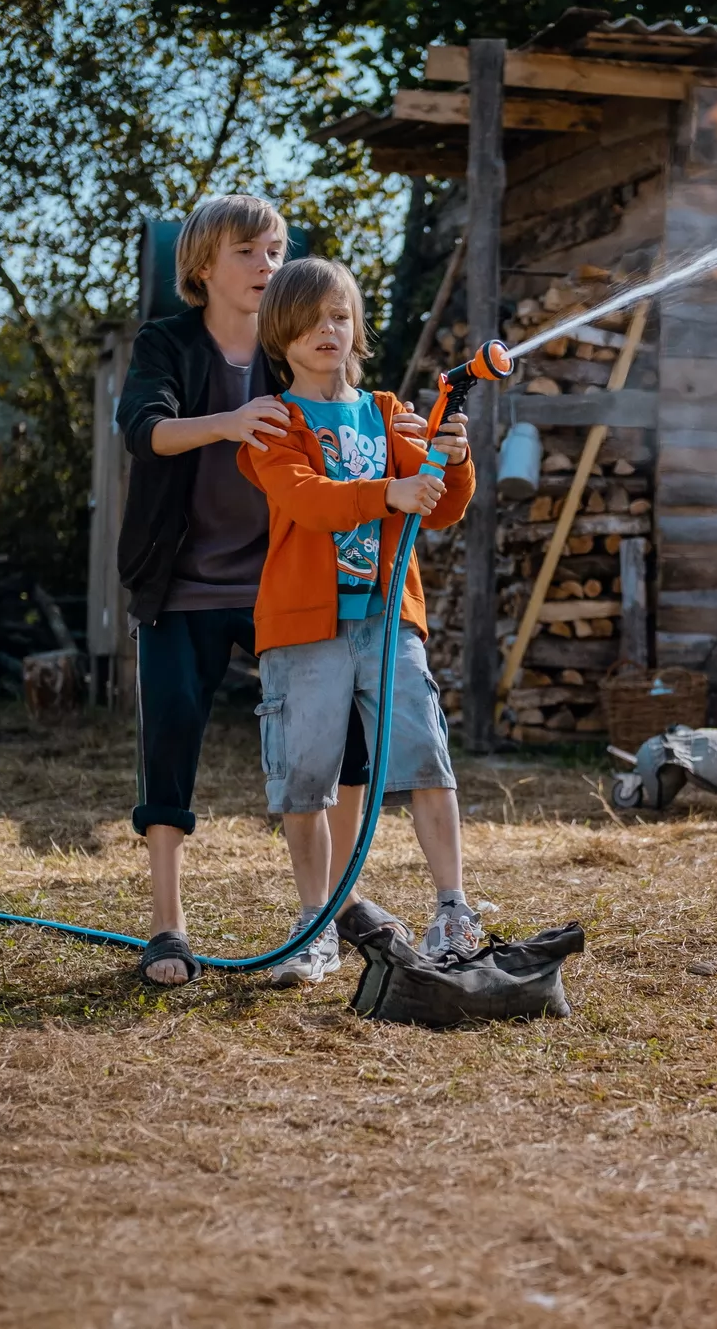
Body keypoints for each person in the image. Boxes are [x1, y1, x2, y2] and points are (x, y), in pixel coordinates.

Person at [113, 195, 373, 987]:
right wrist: (228, 421)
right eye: (250, 253)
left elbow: (353, 419)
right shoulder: (166, 343)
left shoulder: (289, 346)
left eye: (278, 250)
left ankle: (330, 911)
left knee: (344, 743)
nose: (269, 265)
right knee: (170, 745)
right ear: (202, 268)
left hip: (284, 584)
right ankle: (167, 928)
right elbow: (144, 432)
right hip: (182, 583)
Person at [244, 256, 484, 986]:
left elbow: (442, 505)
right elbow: (310, 501)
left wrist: (455, 457)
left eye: (341, 317)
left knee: (425, 759)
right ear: (282, 334)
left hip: (388, 623)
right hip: (304, 628)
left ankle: (454, 910)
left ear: (357, 332)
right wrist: (393, 489)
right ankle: (317, 925)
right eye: (313, 319)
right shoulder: (273, 424)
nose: (329, 329)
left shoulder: (386, 412)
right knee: (307, 778)